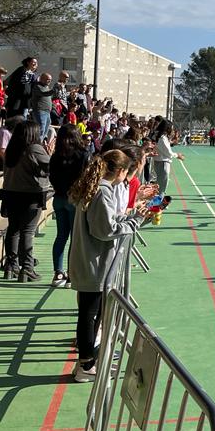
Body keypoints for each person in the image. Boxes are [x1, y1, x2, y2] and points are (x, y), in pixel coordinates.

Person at [67, 149, 150, 382]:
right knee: (89, 314)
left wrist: (133, 218)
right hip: (94, 262)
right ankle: (86, 364)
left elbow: (109, 221)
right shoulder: (102, 192)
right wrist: (135, 222)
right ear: (121, 171)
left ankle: (88, 361)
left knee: (91, 313)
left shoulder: (97, 189)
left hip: (90, 259)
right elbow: (104, 230)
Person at [1, 120, 53, 280]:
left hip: (11, 193)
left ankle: (11, 266)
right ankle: (27, 268)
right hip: (30, 194)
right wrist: (49, 152)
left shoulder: (11, 149)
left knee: (13, 229)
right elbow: (51, 167)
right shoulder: (35, 149)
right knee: (27, 231)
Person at [48, 125, 89, 287]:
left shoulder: (56, 156)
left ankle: (58, 273)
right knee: (75, 238)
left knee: (61, 236)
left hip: (59, 198)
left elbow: (51, 177)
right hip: (75, 198)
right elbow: (85, 177)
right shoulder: (83, 155)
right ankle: (72, 274)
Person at [30, 72, 58, 137]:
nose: (49, 81)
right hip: (40, 111)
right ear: (41, 79)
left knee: (45, 131)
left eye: (50, 80)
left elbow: (50, 96)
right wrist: (53, 90)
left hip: (47, 112)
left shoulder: (47, 87)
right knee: (41, 130)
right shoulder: (37, 86)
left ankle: (41, 143)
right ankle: (37, 144)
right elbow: (44, 93)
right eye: (48, 79)